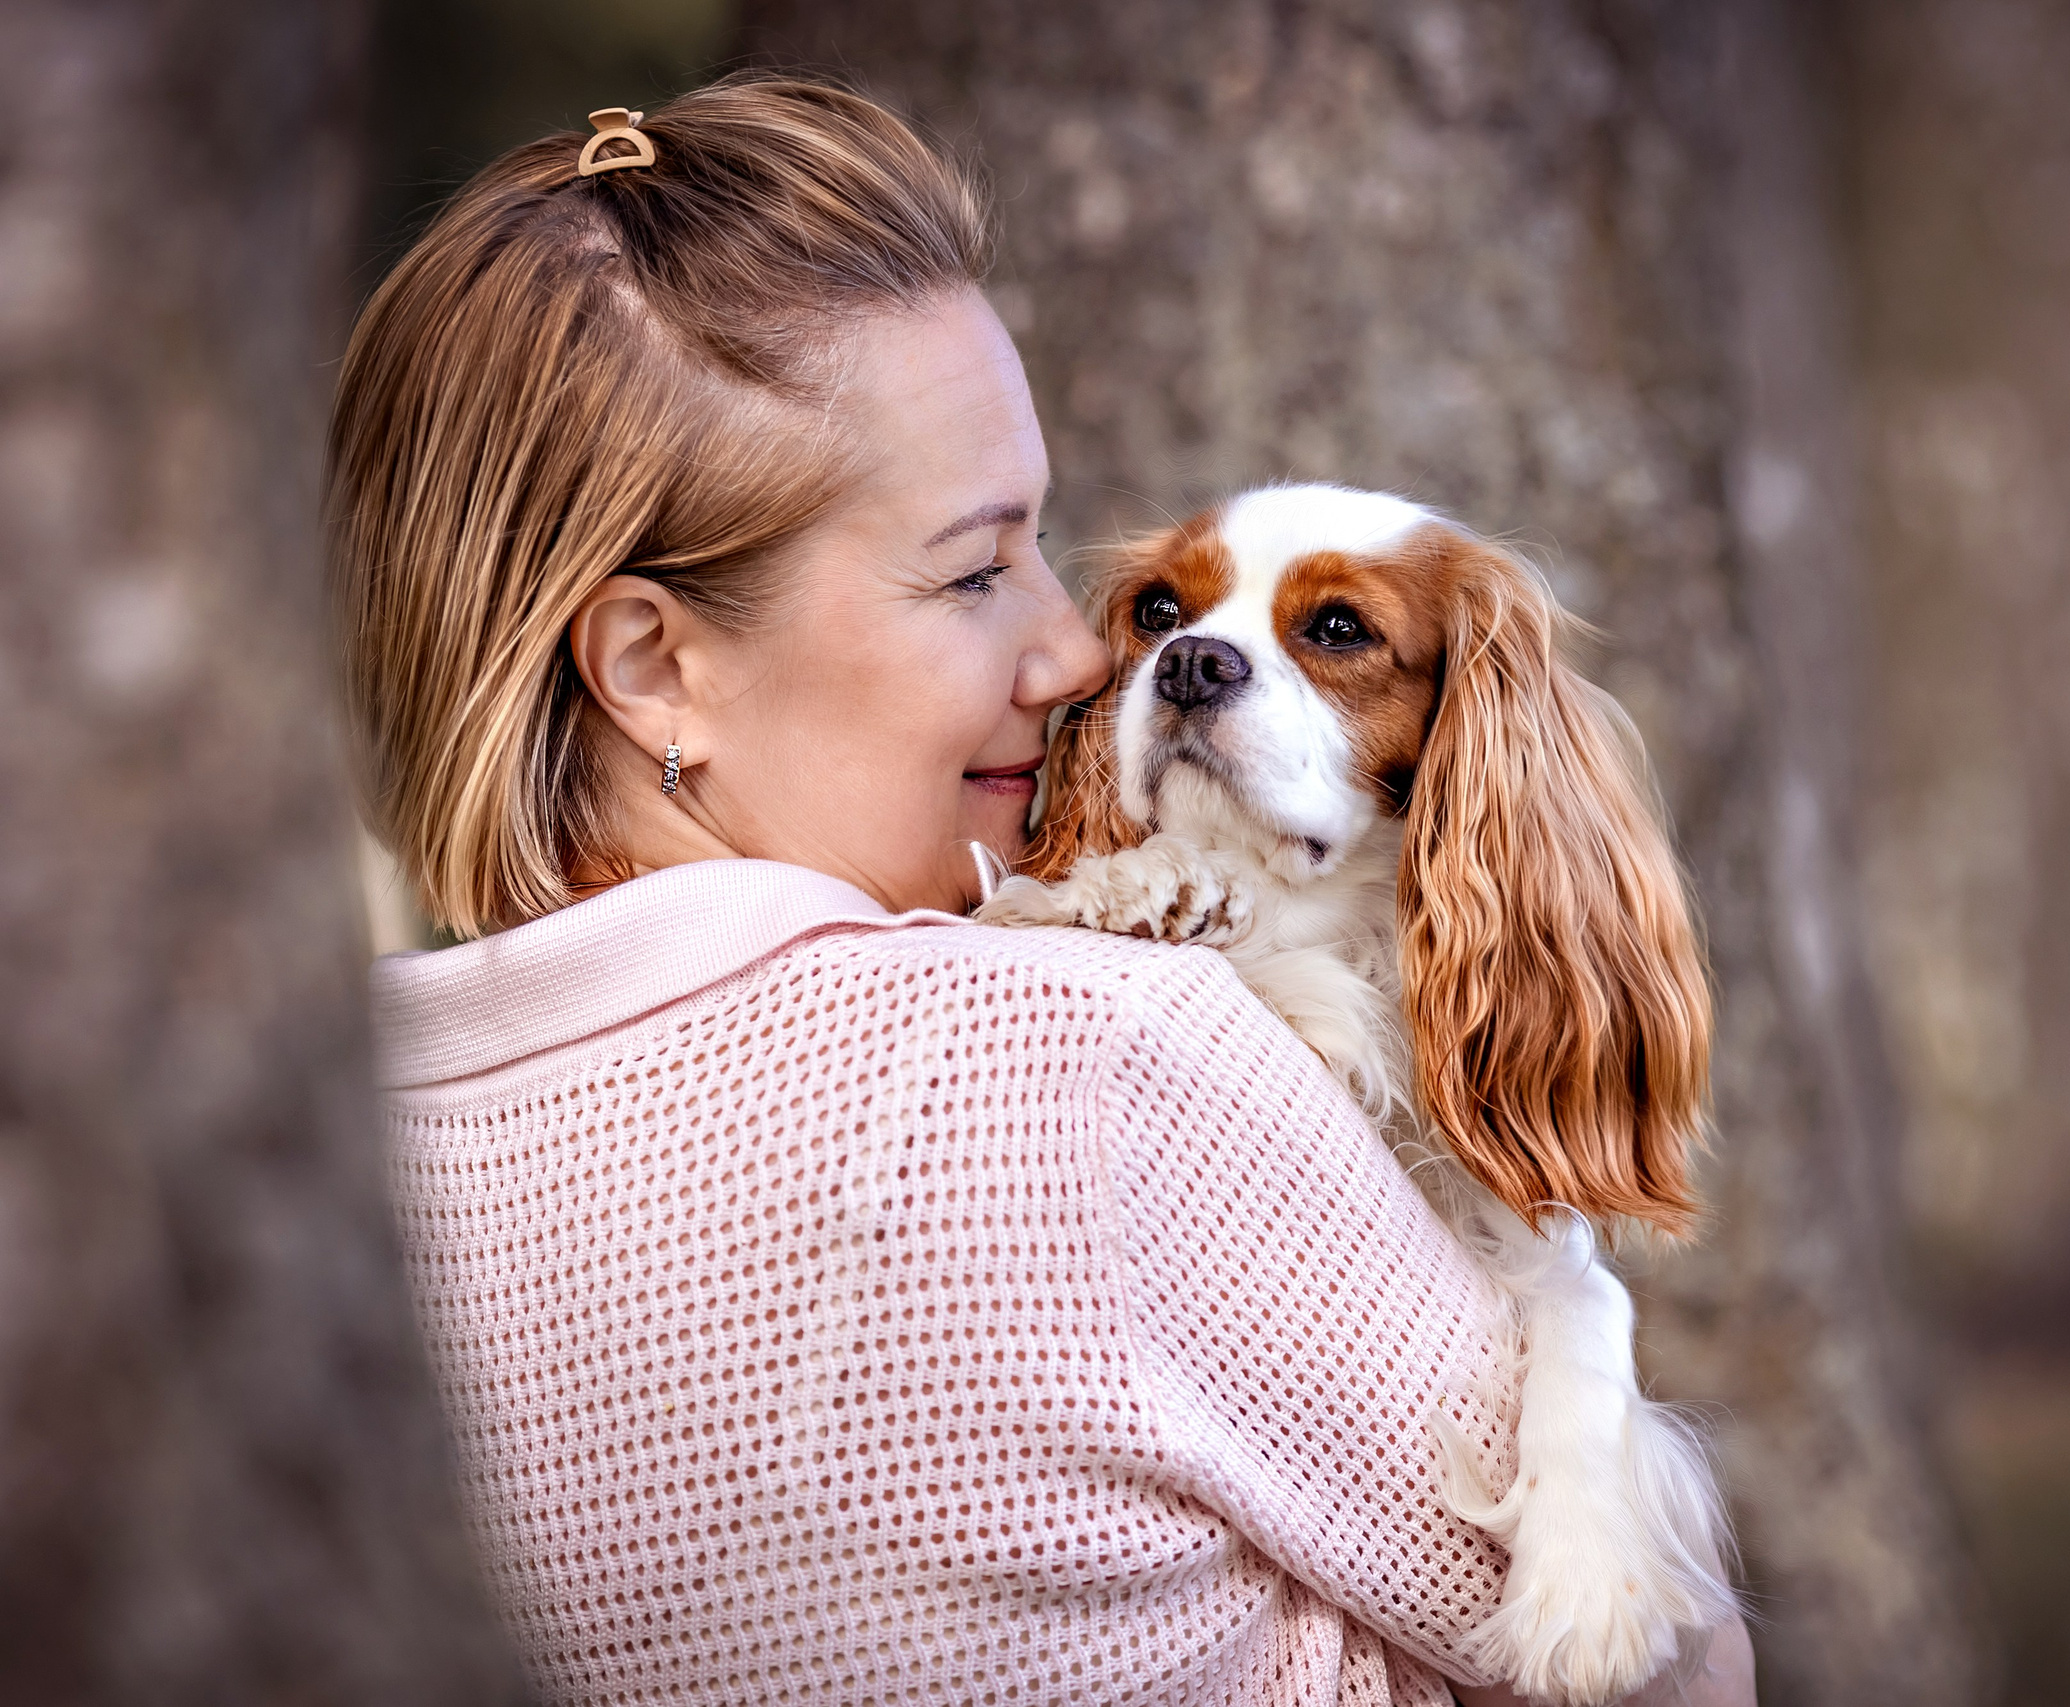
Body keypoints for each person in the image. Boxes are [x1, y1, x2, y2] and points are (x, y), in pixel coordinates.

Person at [333, 74, 1753, 1706]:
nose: (1085, 651)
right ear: (655, 666)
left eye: (1047, 551)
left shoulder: (324, 1155)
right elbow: (1669, 1676)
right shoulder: (1086, 1067)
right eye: (971, 568)